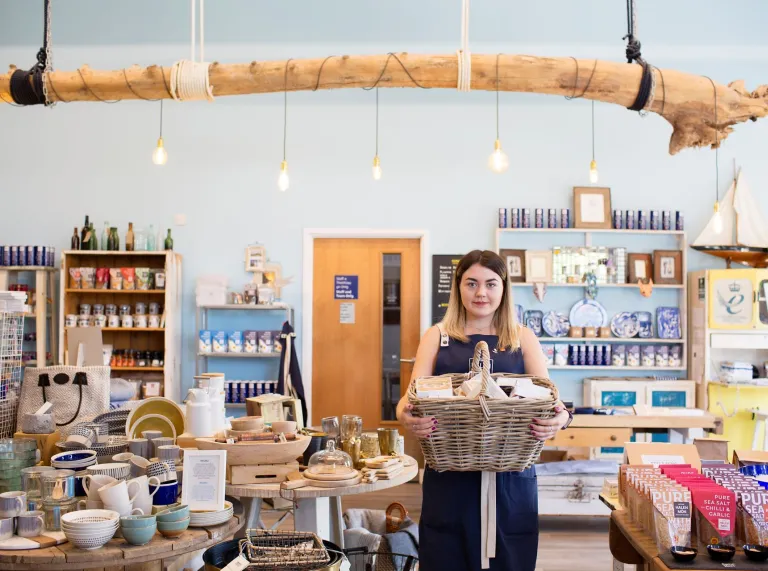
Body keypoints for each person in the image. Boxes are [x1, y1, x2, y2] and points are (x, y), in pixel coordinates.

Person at [396, 249, 572, 571]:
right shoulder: (437, 336)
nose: (481, 293)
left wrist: (561, 419)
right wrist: (405, 416)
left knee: (510, 559)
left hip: (510, 477)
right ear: (458, 288)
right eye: (471, 283)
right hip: (450, 475)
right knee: (447, 556)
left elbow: (552, 401)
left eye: (491, 284)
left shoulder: (523, 338)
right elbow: (408, 399)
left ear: (503, 288)